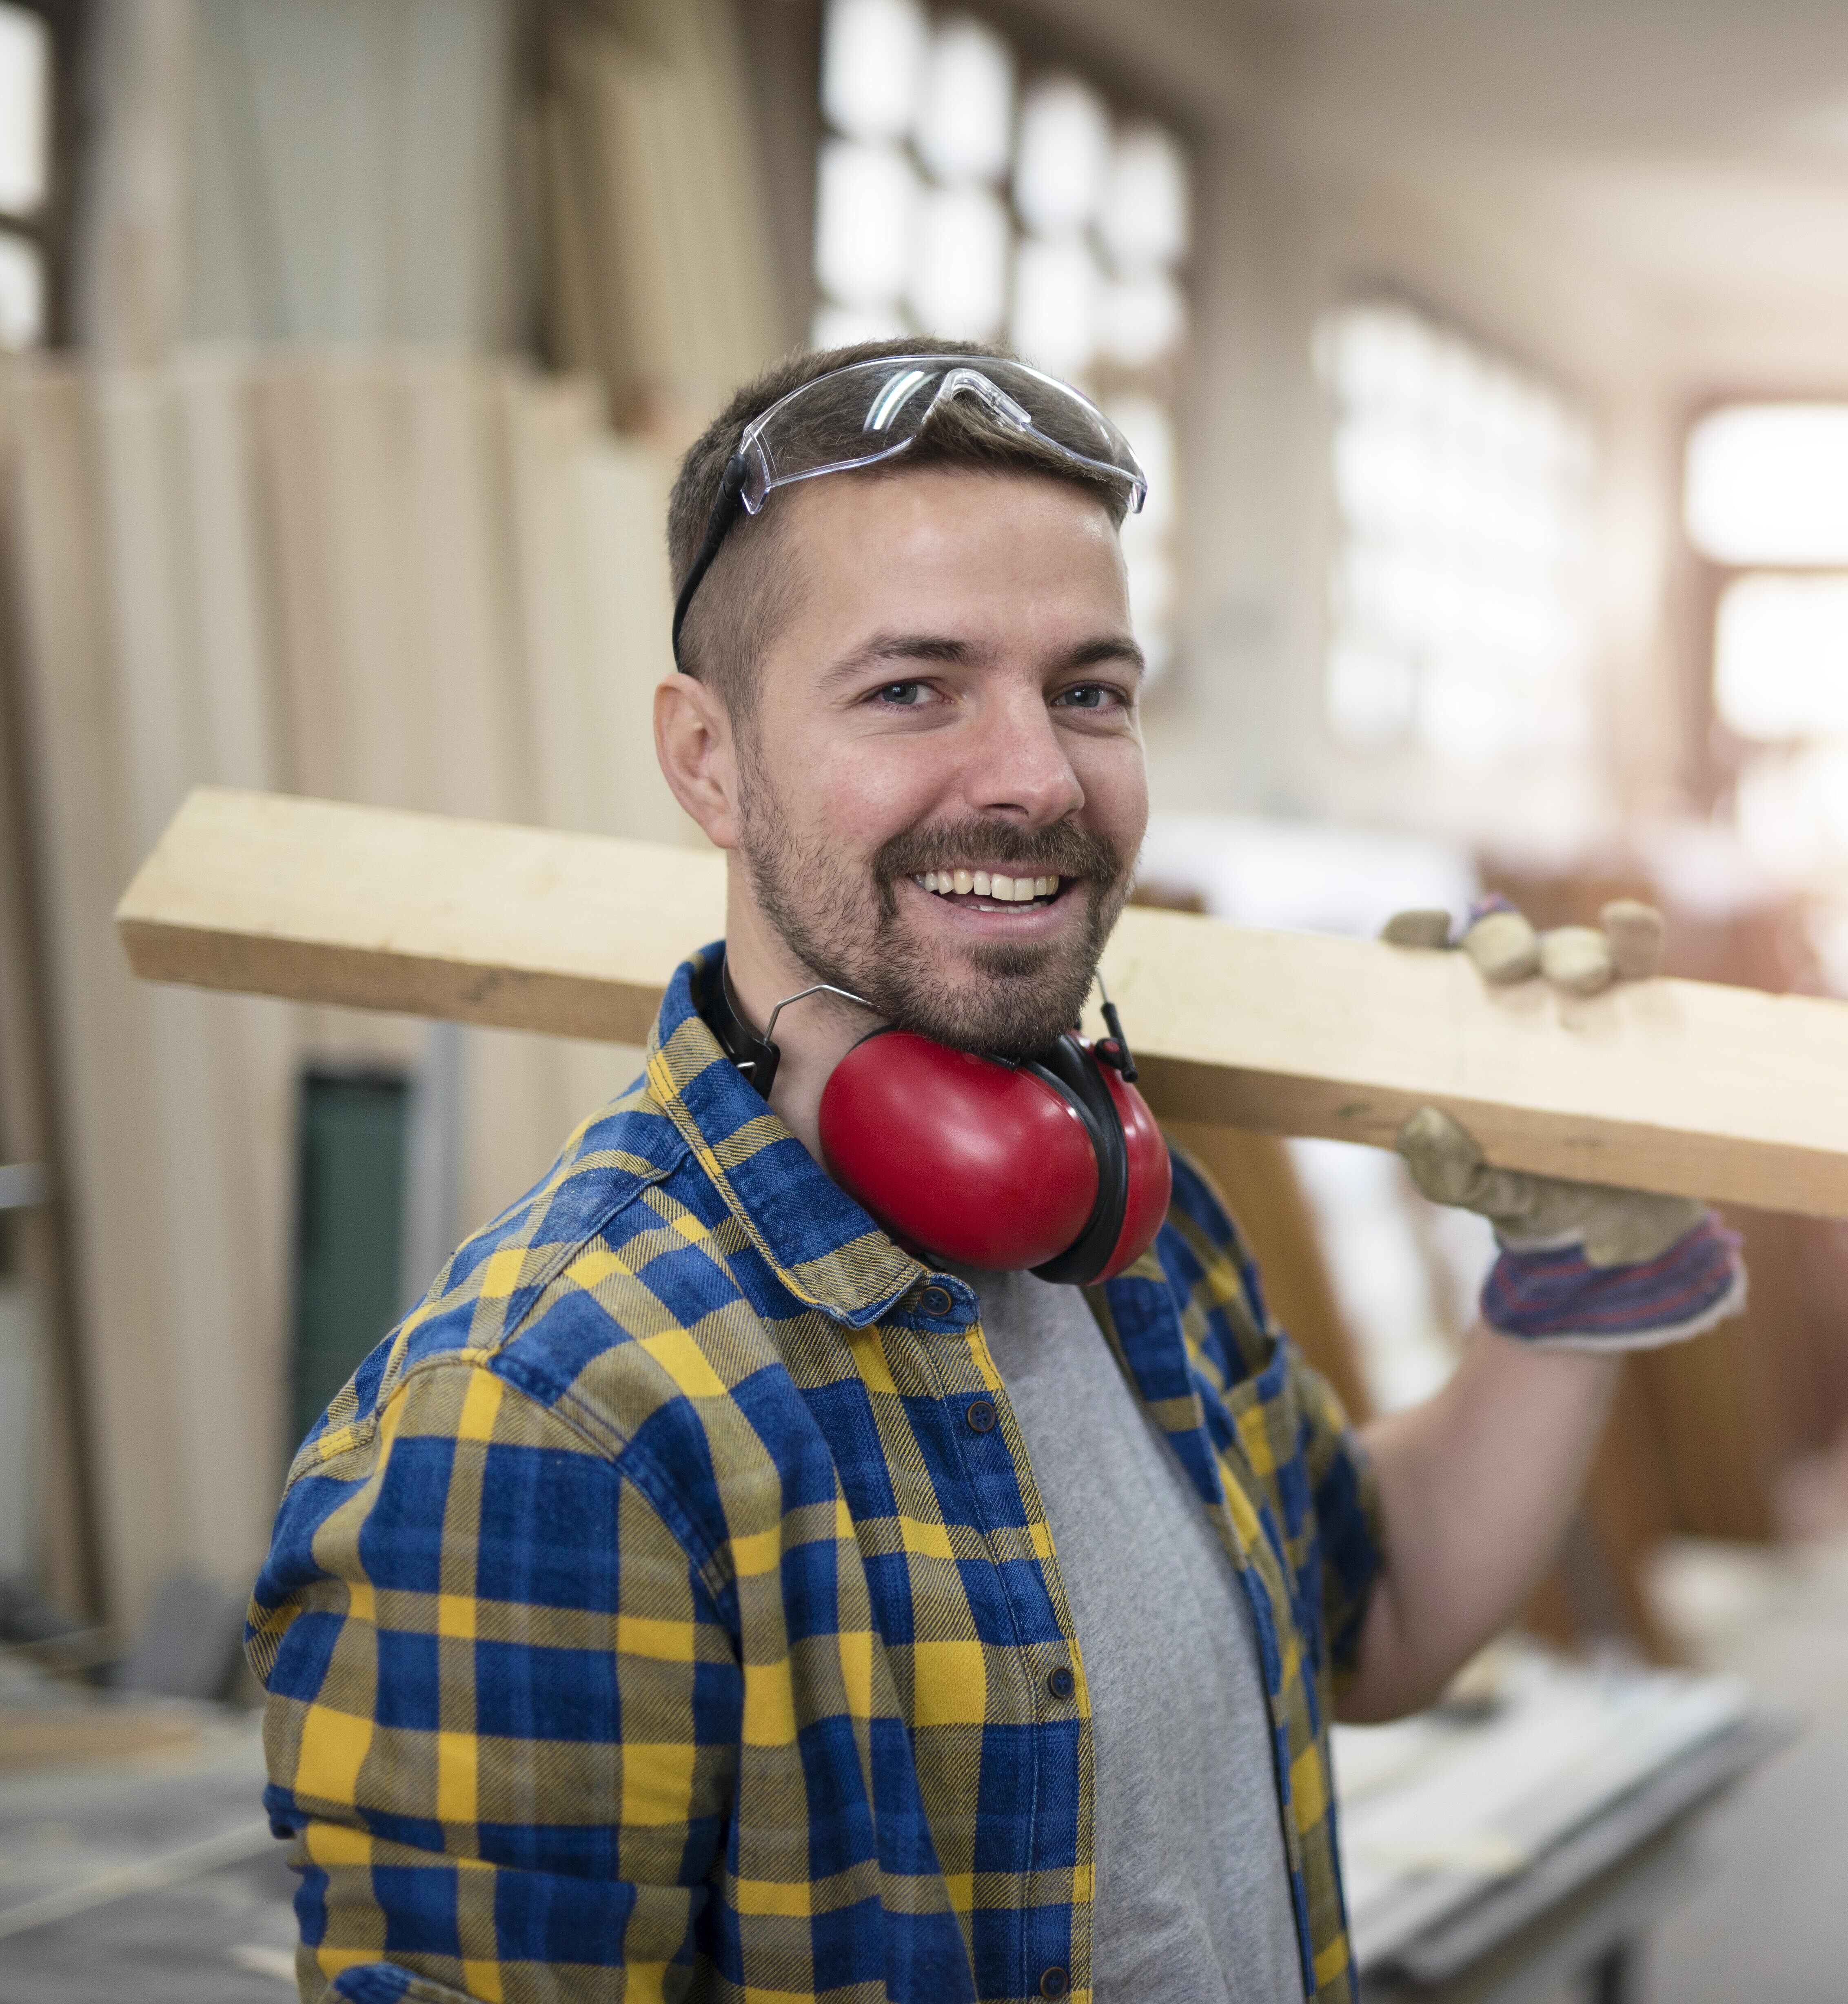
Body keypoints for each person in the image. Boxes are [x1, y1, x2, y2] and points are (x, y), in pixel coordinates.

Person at [248, 339, 1745, 2004]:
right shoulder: (553, 1421)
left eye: (1087, 690)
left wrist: (1573, 1289)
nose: (1037, 776)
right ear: (707, 760)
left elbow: (1362, 1619)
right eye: (914, 687)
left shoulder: (1114, 1231)